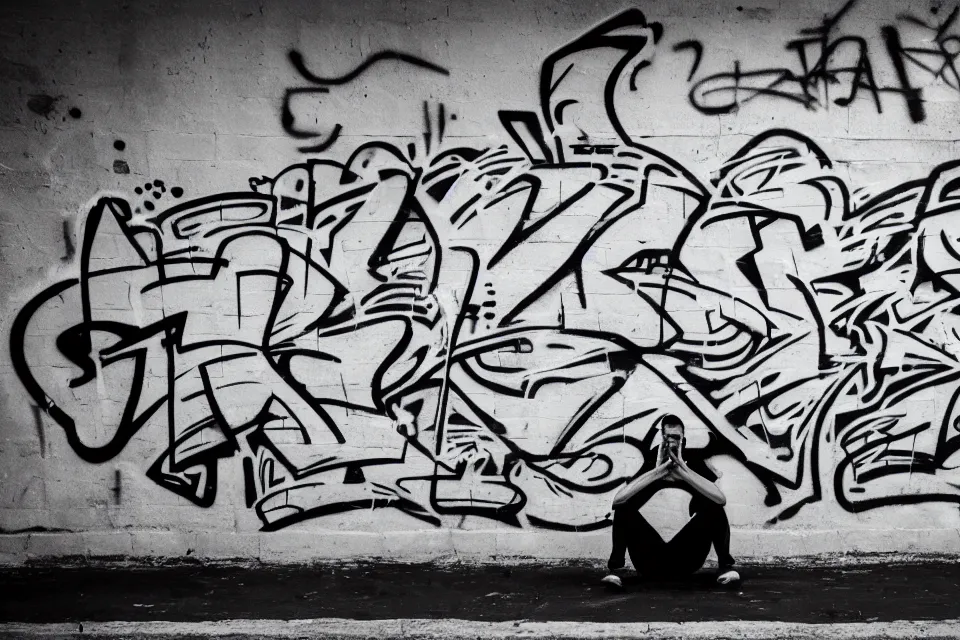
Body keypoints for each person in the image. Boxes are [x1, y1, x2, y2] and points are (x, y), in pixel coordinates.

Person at [601, 414, 739, 588]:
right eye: (667, 437)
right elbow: (618, 501)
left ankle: (725, 568)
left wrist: (683, 471)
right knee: (623, 509)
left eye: (676, 437)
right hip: (650, 561)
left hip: (687, 558)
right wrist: (657, 472)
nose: (672, 442)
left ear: (684, 440)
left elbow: (721, 499)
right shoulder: (653, 462)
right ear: (661, 440)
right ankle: (616, 571)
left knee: (714, 508)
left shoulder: (694, 463)